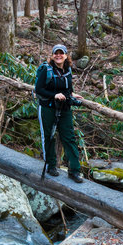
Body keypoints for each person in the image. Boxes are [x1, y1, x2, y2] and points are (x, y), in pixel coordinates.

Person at [35, 44, 83, 183]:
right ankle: (51, 165)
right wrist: (54, 95)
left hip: (64, 108)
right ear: (52, 55)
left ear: (66, 55)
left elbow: (68, 87)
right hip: (48, 107)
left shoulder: (67, 69)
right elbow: (39, 90)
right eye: (56, 53)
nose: (58, 55)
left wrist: (72, 94)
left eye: (61, 53)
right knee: (49, 136)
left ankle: (74, 171)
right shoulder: (46, 69)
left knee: (69, 138)